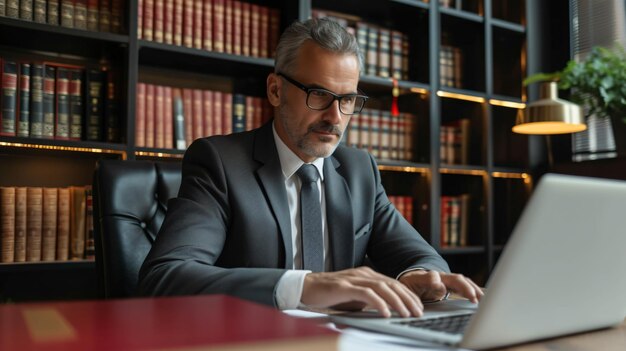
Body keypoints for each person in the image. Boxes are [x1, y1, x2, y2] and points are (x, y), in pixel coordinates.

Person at [138, 18, 483, 318]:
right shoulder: (220, 162)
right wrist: (303, 286)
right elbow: (167, 277)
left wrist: (419, 275)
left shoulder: (359, 170)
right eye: (319, 94)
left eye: (347, 100)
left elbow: (422, 256)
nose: (335, 117)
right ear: (275, 90)